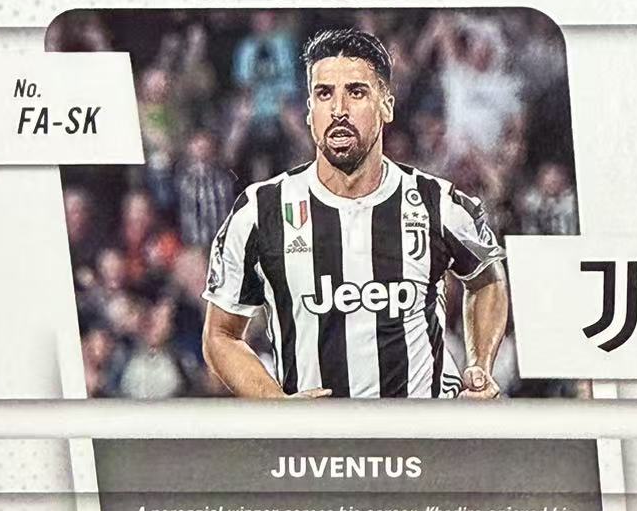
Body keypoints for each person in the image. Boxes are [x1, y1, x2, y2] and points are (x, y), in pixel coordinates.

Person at [202, 28, 508, 399]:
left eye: (356, 92)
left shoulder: (439, 203)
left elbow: (487, 278)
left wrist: (480, 364)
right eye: (324, 93)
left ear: (387, 106)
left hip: (421, 430)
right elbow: (220, 334)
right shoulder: (260, 211)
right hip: (317, 435)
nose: (339, 110)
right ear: (309, 111)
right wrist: (276, 404)